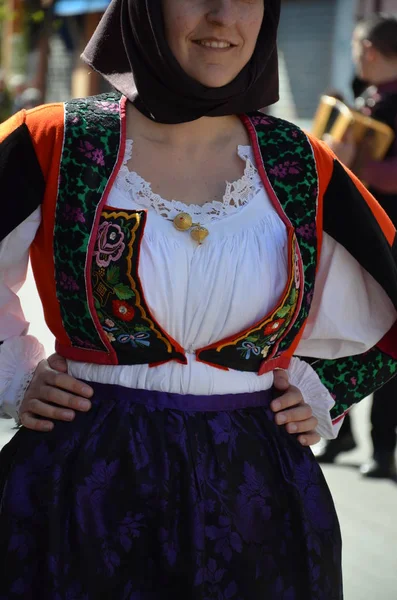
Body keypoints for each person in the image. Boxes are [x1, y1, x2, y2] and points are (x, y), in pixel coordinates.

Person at [0, 1, 397, 597]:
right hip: (78, 490)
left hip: (257, 499)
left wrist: (325, 388)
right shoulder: (54, 140)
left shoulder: (300, 164)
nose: (221, 16)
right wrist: (14, 373)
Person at [317, 14, 397, 479]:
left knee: (386, 339)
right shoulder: (365, 96)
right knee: (340, 326)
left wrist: (357, 163)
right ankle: (338, 426)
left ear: (369, 49)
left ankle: (383, 447)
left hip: (390, 238)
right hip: (357, 237)